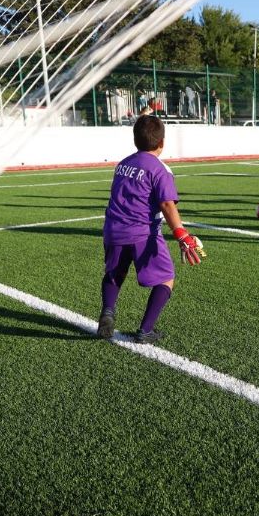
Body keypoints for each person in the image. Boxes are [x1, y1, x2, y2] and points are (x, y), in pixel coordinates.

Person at [97, 115, 205, 344]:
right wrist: (182, 234)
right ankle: (145, 330)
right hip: (142, 233)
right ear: (162, 143)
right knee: (166, 278)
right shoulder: (160, 169)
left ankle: (108, 311)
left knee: (115, 273)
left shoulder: (123, 164)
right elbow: (167, 204)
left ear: (135, 140)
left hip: (113, 229)